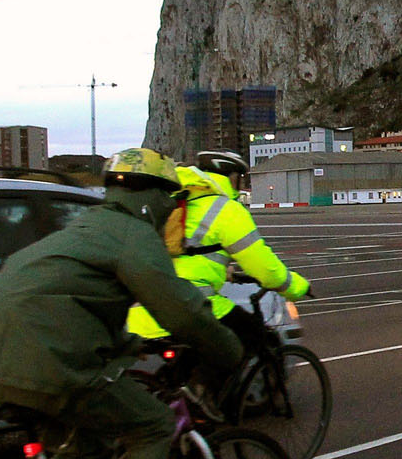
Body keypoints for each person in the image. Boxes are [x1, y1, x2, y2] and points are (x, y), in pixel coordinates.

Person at [0, 147, 244, 459]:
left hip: (0, 352)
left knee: (89, 445)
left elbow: (80, 302)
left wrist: (130, 343)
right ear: (156, 196)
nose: (175, 212)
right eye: (173, 201)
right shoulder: (134, 236)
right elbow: (180, 310)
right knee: (154, 427)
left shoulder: (86, 226)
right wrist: (228, 350)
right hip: (53, 358)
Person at [126, 148, 310, 355]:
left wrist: (225, 272)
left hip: (140, 313)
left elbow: (189, 254)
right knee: (254, 336)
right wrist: (297, 287)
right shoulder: (227, 210)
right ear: (232, 178)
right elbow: (265, 268)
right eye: (240, 178)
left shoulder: (175, 201)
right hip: (190, 308)